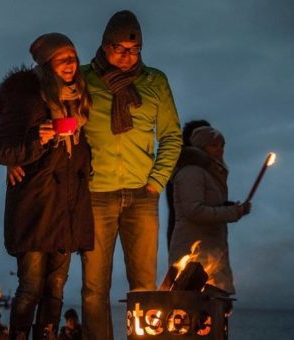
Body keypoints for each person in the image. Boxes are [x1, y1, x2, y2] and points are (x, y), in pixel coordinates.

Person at [79, 10, 182, 339]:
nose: (127, 56)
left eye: (134, 50)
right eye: (120, 49)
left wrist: (155, 184)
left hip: (142, 195)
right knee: (94, 288)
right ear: (105, 45)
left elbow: (171, 136)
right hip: (96, 194)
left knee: (144, 288)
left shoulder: (155, 82)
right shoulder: (82, 80)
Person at [0, 32, 94, 339]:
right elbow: (2, 149)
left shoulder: (79, 99)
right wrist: (38, 138)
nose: (70, 64)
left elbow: (79, 153)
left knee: (56, 288)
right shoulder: (27, 97)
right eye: (62, 58)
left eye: (73, 57)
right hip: (35, 207)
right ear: (47, 63)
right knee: (31, 287)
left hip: (66, 207)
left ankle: (47, 334)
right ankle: (20, 335)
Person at [168, 126, 251, 300]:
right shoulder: (191, 172)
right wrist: (232, 212)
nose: (220, 149)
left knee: (210, 309)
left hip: (211, 251)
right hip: (193, 251)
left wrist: (232, 209)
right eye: (214, 145)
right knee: (190, 307)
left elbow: (207, 206)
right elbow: (194, 211)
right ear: (202, 147)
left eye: (222, 145)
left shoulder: (210, 175)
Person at [166, 119, 211, 249]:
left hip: (187, 236)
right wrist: (231, 211)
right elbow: (193, 208)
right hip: (189, 239)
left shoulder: (184, 166)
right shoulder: (188, 169)